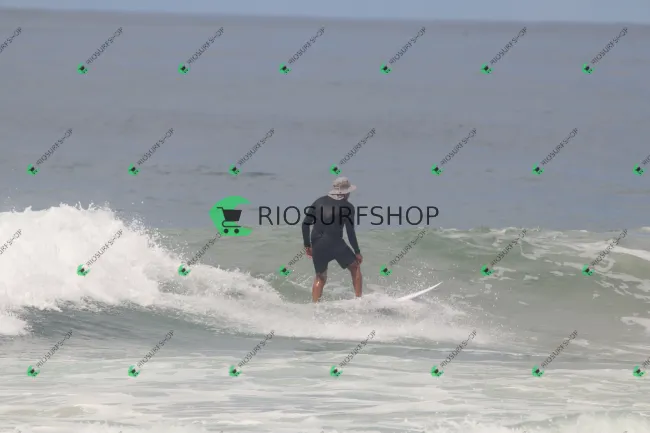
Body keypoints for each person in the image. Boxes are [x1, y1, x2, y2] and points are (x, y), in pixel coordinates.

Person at [302, 177, 363, 302]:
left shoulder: (318, 202)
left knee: (320, 277)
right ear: (345, 192)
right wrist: (357, 252)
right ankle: (359, 301)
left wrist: (307, 245)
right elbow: (350, 232)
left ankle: (315, 306)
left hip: (317, 242)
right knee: (355, 267)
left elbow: (305, 224)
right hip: (335, 242)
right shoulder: (348, 207)